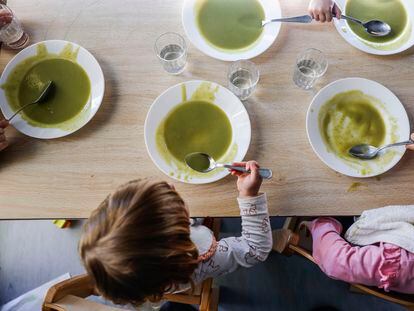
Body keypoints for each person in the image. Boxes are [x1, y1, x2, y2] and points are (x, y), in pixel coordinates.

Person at [79, 161, 272, 307]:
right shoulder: (200, 258)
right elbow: (255, 249)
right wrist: (249, 196)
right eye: (175, 203)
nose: (171, 185)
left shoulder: (116, 259)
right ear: (179, 239)